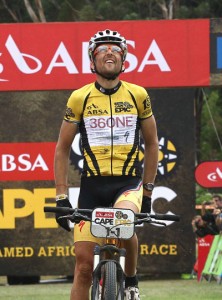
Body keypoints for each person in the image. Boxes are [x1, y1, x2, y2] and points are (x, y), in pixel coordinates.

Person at [54, 29, 159, 300]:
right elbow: (62, 149)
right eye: (102, 48)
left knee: (123, 221)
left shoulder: (138, 94)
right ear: (92, 60)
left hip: (127, 183)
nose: (109, 51)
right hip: (91, 186)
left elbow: (152, 144)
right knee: (83, 267)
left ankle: (132, 281)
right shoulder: (80, 97)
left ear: (124, 59)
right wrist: (62, 197)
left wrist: (147, 194)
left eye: (115, 48)